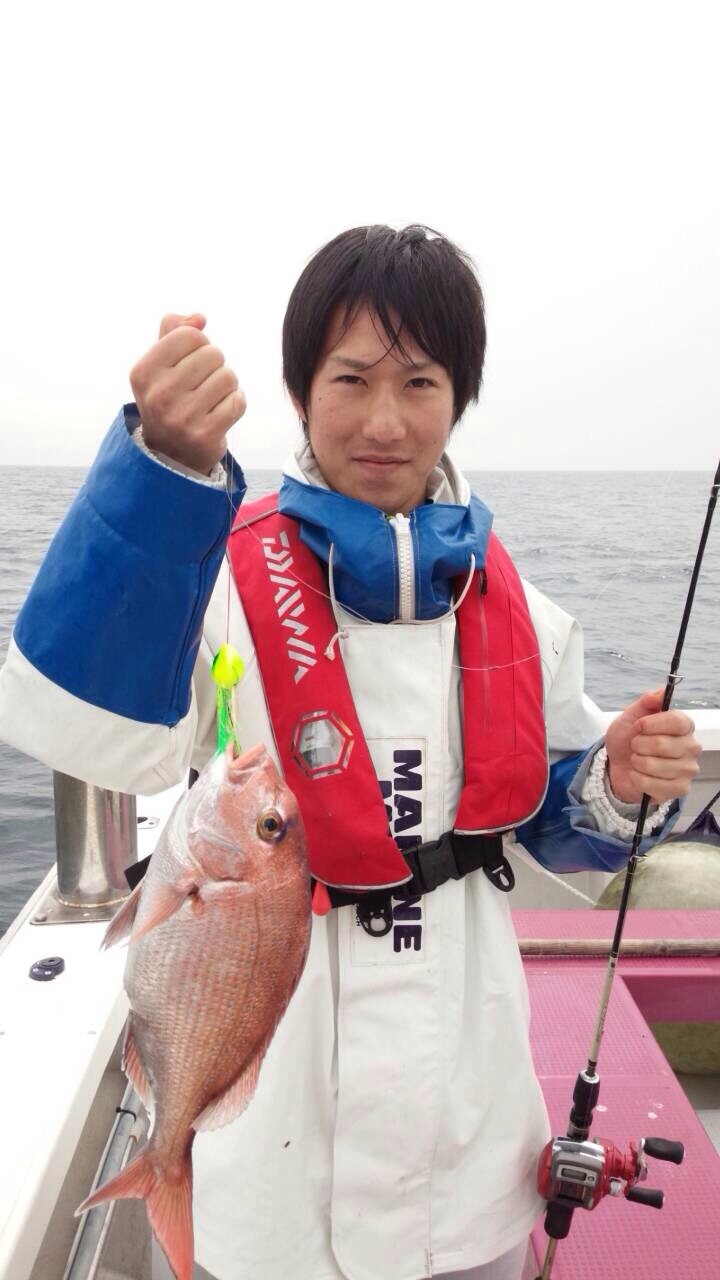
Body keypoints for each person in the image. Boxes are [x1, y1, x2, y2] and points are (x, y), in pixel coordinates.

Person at [0, 225, 701, 1280]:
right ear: (298, 391)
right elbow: (80, 725)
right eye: (351, 378)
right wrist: (162, 475)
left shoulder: (518, 602)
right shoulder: (217, 577)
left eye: (419, 383)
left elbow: (544, 813)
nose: (384, 420)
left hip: (471, 1149)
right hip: (272, 1164)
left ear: (458, 399)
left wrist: (615, 777)